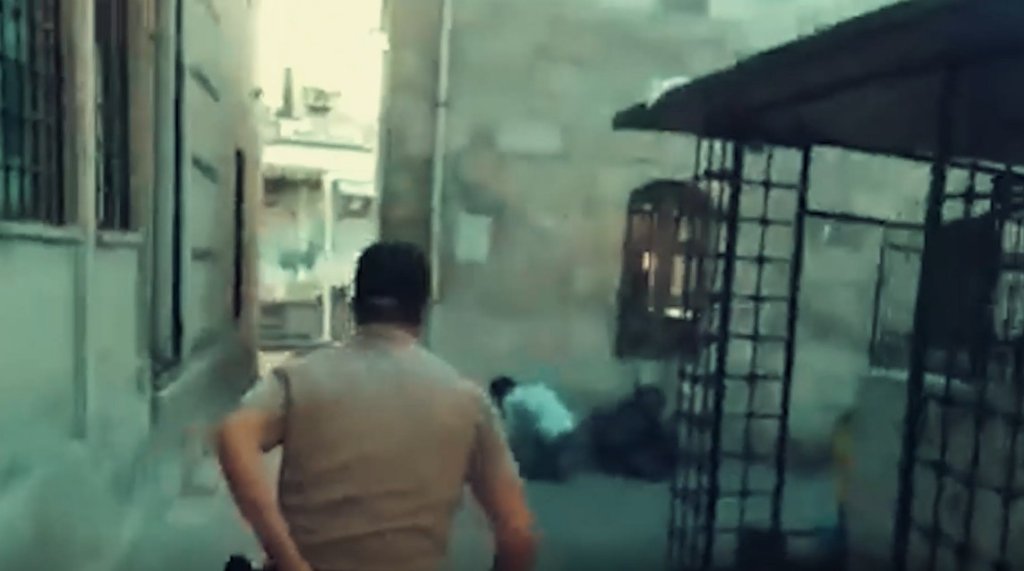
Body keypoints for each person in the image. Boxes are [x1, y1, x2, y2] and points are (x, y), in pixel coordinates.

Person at [216, 241, 537, 571]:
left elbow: (233, 436)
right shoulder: (467, 401)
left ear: (354, 306)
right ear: (422, 309)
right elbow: (518, 535)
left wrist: (288, 559)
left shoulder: (301, 378)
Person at [488, 375, 580, 482]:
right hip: (572, 427)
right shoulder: (539, 388)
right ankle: (559, 465)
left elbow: (515, 432)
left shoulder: (511, 400)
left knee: (535, 444)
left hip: (551, 435)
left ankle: (551, 467)